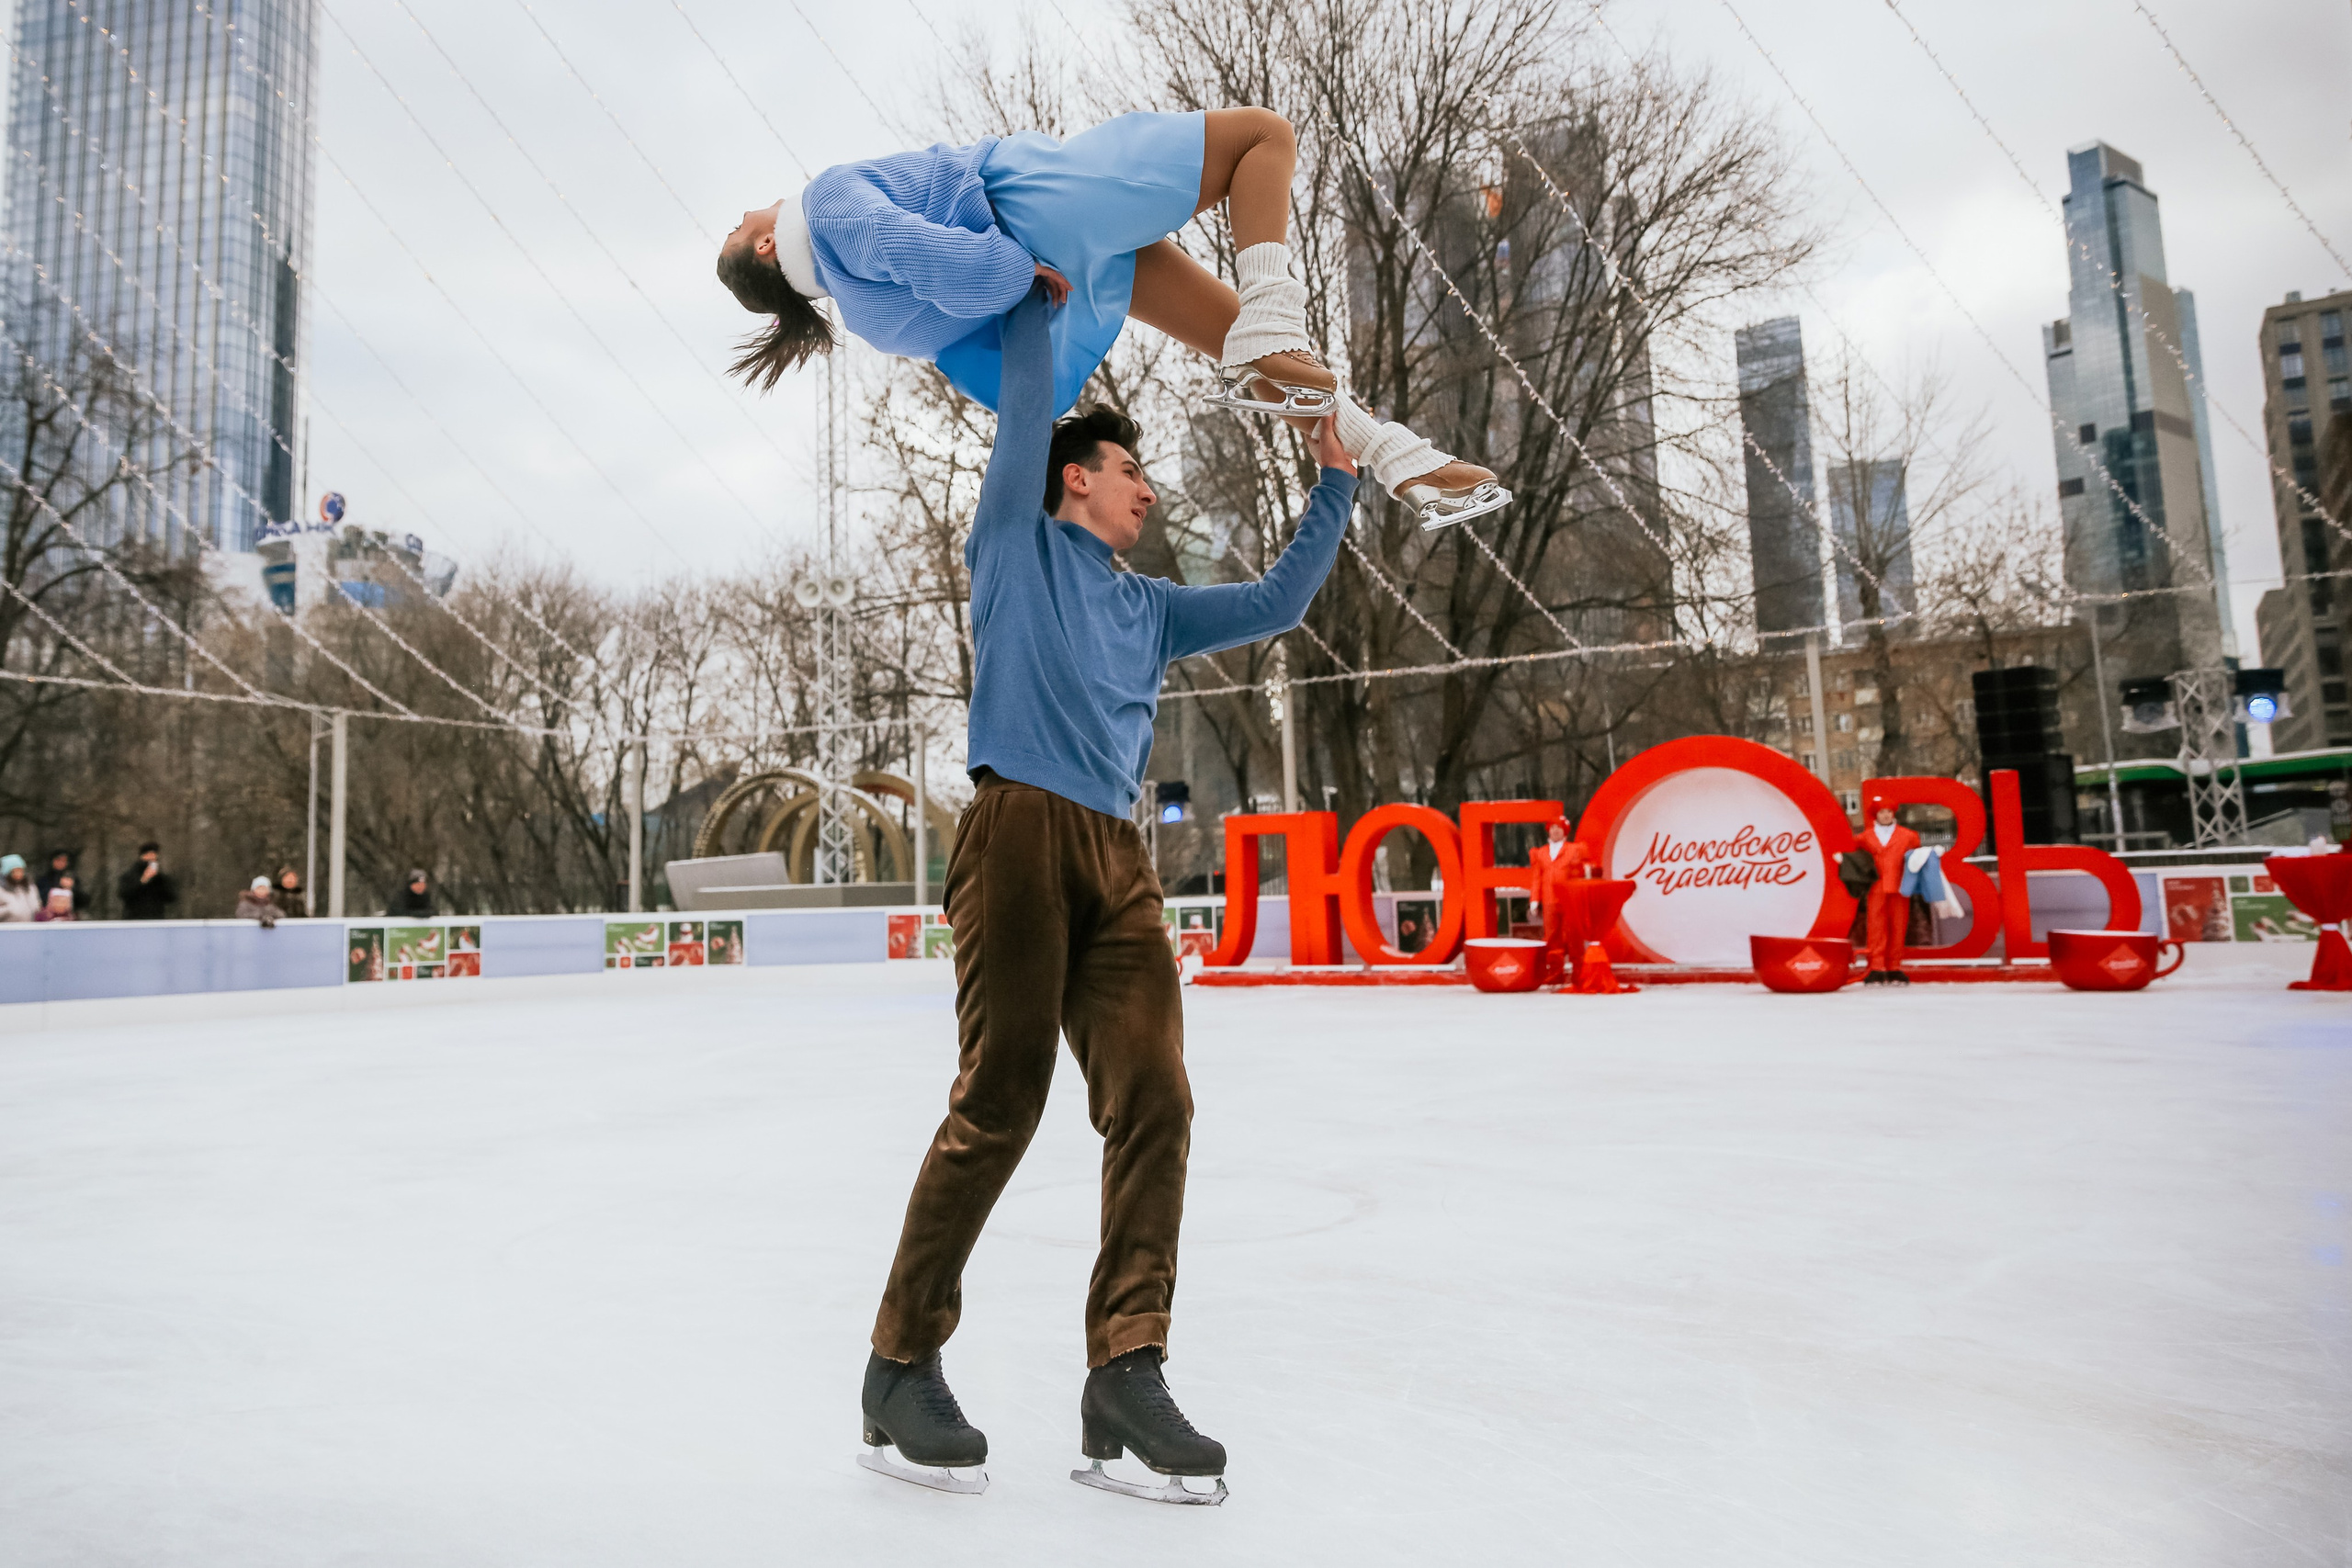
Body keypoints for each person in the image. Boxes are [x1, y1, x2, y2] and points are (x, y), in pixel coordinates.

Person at [857, 285, 1355, 1506]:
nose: (1149, 491)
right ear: (1074, 479)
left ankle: (1126, 1366)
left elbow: (1278, 603)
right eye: (1131, 470)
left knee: (1156, 1096)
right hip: (1018, 829)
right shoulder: (1014, 543)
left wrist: (1335, 482)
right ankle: (899, 1360)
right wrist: (1036, 300)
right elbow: (1029, 408)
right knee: (1003, 1097)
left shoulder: (1151, 606)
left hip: (1117, 858)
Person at [717, 108, 1507, 529]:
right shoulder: (826, 204)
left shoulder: (865, 313)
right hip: (1030, 202)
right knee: (1263, 138)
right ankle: (1278, 329)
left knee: (1247, 344)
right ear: (764, 245)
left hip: (1058, 267)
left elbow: (962, 332)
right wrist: (1013, 267)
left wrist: (1016, 280)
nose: (749, 208)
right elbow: (931, 254)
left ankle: (1397, 461)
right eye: (736, 225)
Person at [1859, 795, 1921, 986]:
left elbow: (1915, 859)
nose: (1885, 815)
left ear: (1893, 813)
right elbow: (1856, 859)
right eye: (1881, 812)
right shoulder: (1864, 838)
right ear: (1875, 815)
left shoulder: (1909, 836)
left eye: (1888, 811)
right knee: (1875, 927)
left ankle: (1894, 966)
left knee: (1898, 926)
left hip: (1900, 886)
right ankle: (1876, 967)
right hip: (1875, 888)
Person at [1527, 818, 1591, 985]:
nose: (1555, 831)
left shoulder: (1574, 850)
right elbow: (1537, 877)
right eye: (1553, 828)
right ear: (1548, 830)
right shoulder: (1541, 853)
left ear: (1565, 831)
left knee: (1574, 936)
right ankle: (1556, 973)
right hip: (1549, 900)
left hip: (1569, 900)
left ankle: (1579, 973)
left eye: (1559, 828)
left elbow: (1581, 874)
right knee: (1552, 937)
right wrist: (1534, 899)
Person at [116, 843, 177, 920]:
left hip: (156, 919)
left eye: (154, 856)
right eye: (149, 855)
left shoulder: (161, 878)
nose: (152, 858)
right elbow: (123, 894)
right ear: (142, 856)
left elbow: (171, 897)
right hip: (133, 919)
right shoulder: (130, 876)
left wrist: (159, 880)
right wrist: (143, 880)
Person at [36, 850, 90, 917]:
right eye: (58, 860)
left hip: (70, 916)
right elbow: (39, 899)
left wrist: (71, 888)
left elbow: (82, 901)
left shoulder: (73, 879)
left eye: (64, 861)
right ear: (52, 861)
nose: (61, 863)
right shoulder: (44, 880)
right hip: (48, 916)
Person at [0, 854, 38, 922]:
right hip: (7, 926)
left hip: (29, 925)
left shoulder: (30, 887)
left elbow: (37, 905)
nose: (18, 874)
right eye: (15, 871)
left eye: (21, 870)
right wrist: (9, 909)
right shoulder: (1, 889)